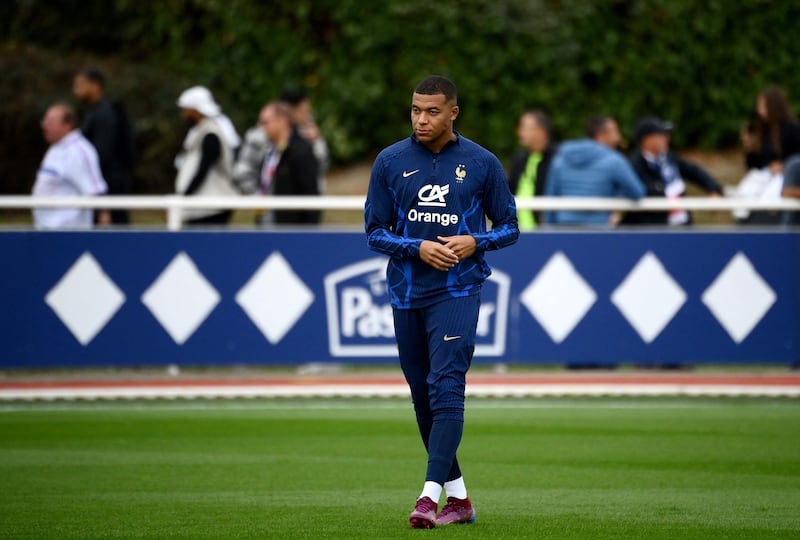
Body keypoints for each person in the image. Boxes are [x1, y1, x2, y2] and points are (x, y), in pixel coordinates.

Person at [364, 75, 519, 529]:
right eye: (415, 110)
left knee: (447, 384)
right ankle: (460, 498)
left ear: (453, 112)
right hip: (407, 291)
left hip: (458, 290)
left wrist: (477, 241)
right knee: (422, 396)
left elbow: (510, 227)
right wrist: (417, 247)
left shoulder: (482, 163)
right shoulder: (390, 161)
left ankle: (428, 498)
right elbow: (374, 232)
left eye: (432, 111)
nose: (421, 119)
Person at [544, 115, 645, 226]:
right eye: (614, 131)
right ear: (600, 134)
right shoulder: (614, 160)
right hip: (598, 230)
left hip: (563, 228)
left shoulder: (560, 159)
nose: (618, 138)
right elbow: (637, 192)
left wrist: (551, 230)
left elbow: (550, 198)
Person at [622, 116, 723, 225]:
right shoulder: (633, 166)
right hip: (655, 231)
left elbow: (694, 171)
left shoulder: (668, 158)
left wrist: (713, 189)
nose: (667, 139)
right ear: (646, 139)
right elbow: (640, 193)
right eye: (661, 135)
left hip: (683, 227)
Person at [72, 66, 136, 224]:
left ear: (95, 86)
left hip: (109, 184)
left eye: (80, 85)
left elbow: (102, 152)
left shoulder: (104, 114)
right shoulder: (95, 112)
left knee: (114, 234)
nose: (75, 90)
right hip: (105, 183)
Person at [32, 102, 109, 229]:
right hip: (45, 233)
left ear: (67, 125)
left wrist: (105, 238)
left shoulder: (79, 151)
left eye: (50, 123)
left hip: (70, 236)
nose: (45, 127)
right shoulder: (55, 148)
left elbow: (98, 195)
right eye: (44, 122)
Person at [174, 86, 239, 225]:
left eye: (185, 110)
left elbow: (203, 168)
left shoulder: (210, 134)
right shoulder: (200, 131)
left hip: (211, 206)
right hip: (202, 205)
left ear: (196, 110)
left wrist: (185, 196)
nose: (183, 114)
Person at [735, 87, 800, 224]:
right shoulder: (765, 133)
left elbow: (795, 159)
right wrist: (749, 149)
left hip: (783, 183)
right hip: (766, 181)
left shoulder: (793, 129)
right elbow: (756, 165)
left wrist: (783, 166)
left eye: (763, 106)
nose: (759, 111)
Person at [256, 101, 320, 224]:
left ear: (282, 121)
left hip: (291, 231)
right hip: (267, 223)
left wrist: (308, 236)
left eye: (265, 122)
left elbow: (311, 197)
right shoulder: (270, 151)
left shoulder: (301, 152)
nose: (262, 127)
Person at [507, 110, 556, 230]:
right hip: (518, 232)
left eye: (525, 128)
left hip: (545, 232)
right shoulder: (518, 160)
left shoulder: (556, 160)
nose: (519, 132)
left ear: (541, 131)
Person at [280, 87, 330, 194]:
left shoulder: (309, 130)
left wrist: (317, 142)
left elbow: (322, 165)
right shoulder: (271, 133)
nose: (307, 115)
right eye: (304, 111)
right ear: (291, 110)